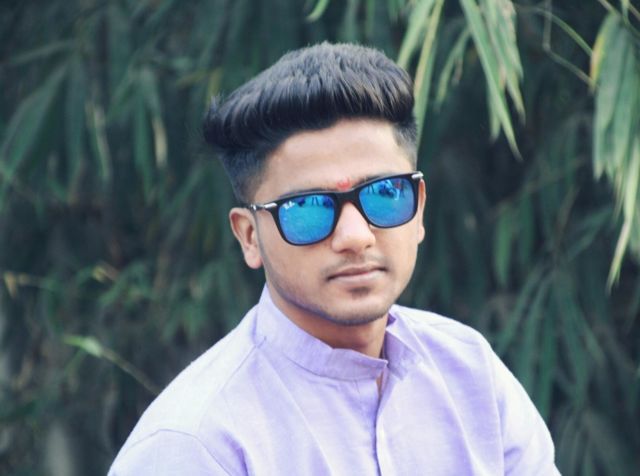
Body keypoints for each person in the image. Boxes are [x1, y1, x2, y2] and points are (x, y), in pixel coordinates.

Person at [108, 42, 560, 475]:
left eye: (384, 194)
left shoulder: (471, 376)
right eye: (308, 207)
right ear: (249, 236)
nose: (355, 237)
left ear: (419, 208)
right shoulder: (197, 445)